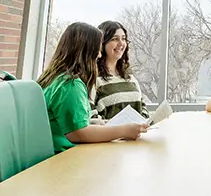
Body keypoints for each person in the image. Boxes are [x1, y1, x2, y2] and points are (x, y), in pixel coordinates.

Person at [38, 22, 147, 152]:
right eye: (97, 50)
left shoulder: (54, 79)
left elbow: (74, 123)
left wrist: (101, 124)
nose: (99, 55)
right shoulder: (70, 85)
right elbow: (77, 133)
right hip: (62, 155)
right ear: (86, 51)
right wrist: (123, 131)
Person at [92, 20, 150, 121]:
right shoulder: (93, 78)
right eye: (115, 39)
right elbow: (90, 116)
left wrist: (144, 121)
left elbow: (142, 106)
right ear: (102, 44)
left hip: (136, 131)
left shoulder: (130, 77)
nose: (121, 43)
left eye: (123, 39)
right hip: (109, 132)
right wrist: (120, 128)